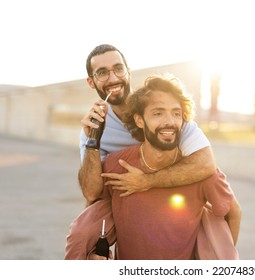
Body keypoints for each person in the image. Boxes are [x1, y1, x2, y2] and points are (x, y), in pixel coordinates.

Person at [66, 74, 241, 260]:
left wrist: (218, 257)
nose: (169, 122)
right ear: (139, 120)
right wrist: (94, 253)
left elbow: (233, 213)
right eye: (158, 113)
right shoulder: (115, 166)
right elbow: (93, 212)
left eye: (176, 113)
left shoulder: (200, 172)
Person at [78, 44, 216, 204]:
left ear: (128, 73)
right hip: (127, 207)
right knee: (84, 225)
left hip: (175, 202)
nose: (114, 78)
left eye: (118, 69)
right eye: (102, 73)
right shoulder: (93, 127)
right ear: (91, 82)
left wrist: (147, 181)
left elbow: (206, 164)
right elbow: (91, 193)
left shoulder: (164, 111)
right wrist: (92, 142)